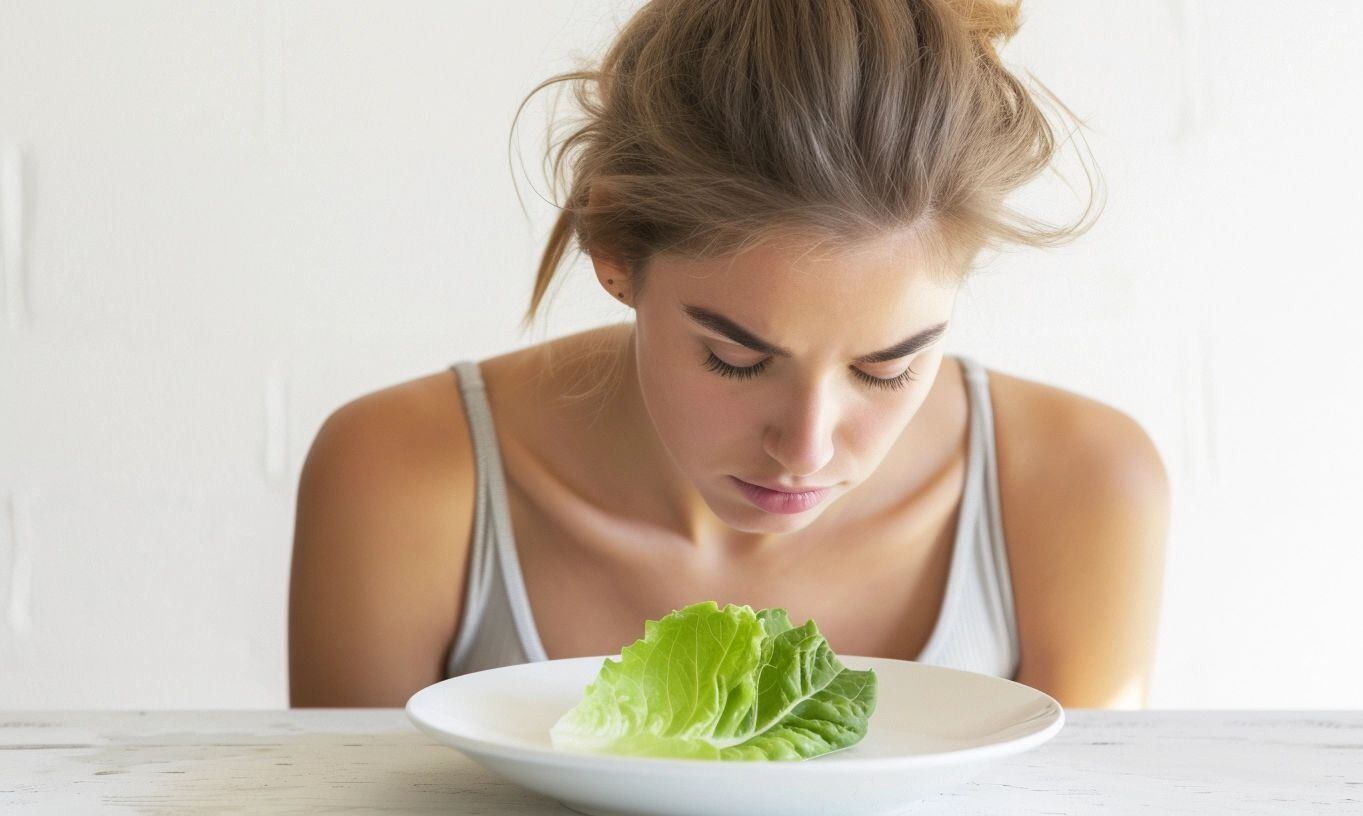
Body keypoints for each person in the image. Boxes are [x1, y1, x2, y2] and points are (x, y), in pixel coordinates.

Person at [288, 0, 1168, 710]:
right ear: (614, 252)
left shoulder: (1080, 482)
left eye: (888, 367)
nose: (809, 448)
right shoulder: (400, 475)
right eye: (735, 360)